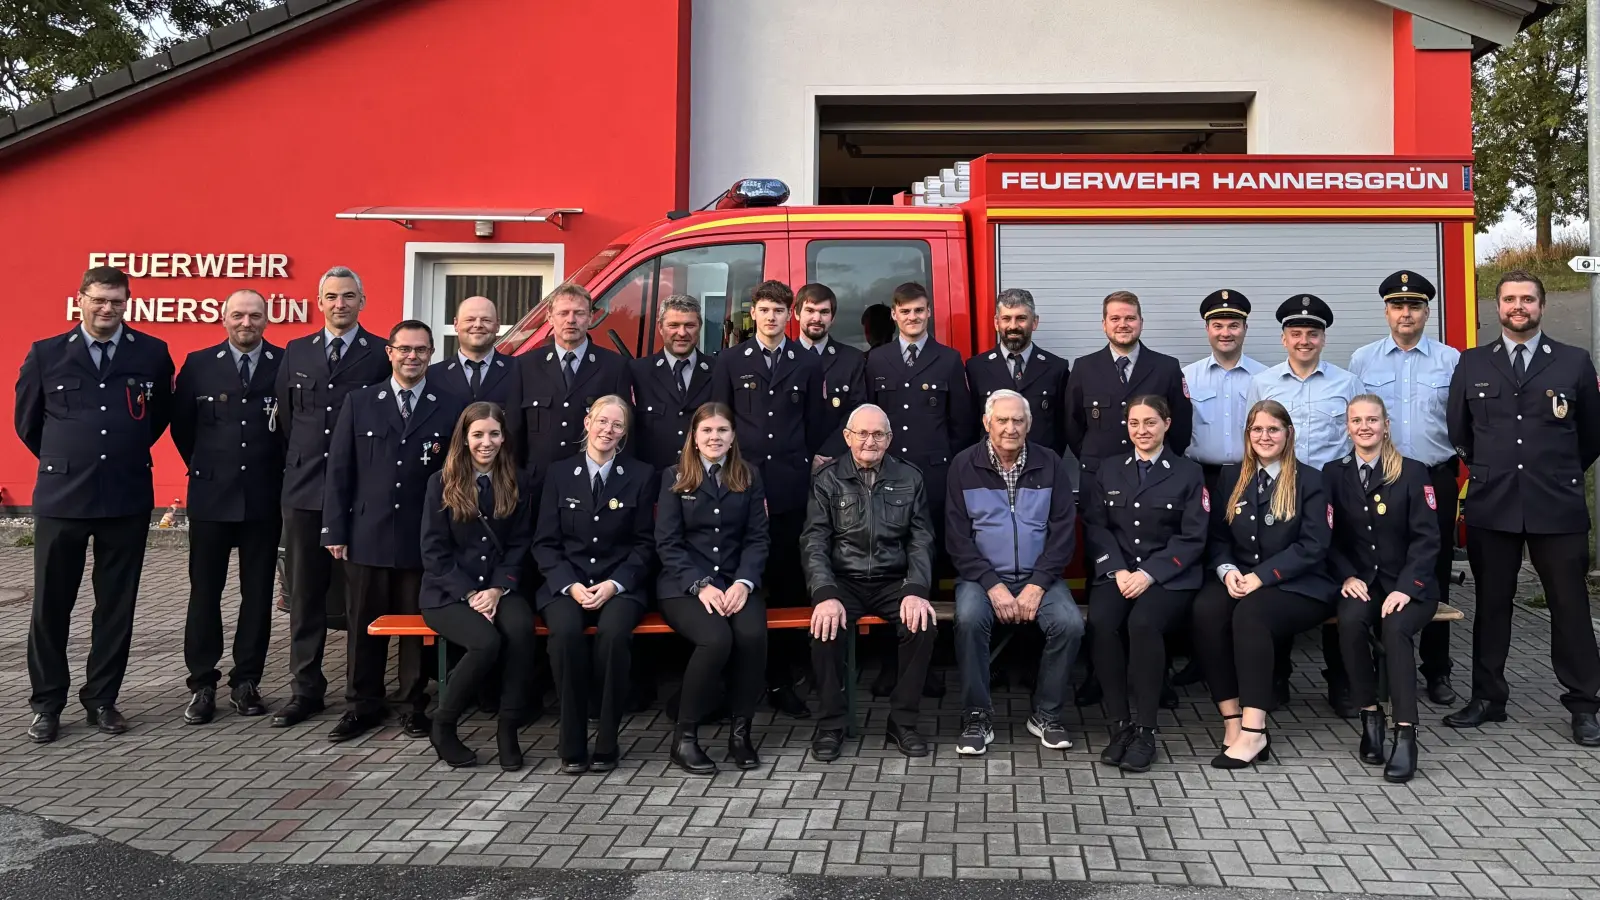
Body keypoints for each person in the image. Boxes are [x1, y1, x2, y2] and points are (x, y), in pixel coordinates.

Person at [15, 265, 174, 742]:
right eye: (99, 300)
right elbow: (28, 423)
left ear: (129, 302)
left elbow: (157, 417)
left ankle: (103, 700)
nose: (108, 309)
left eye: (117, 301)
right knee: (51, 604)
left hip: (124, 495)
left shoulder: (150, 352)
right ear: (80, 299)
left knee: (116, 606)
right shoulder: (46, 354)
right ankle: (47, 704)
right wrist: (68, 458)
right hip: (63, 496)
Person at [1445, 270, 1600, 747]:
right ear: (1497, 307)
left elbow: (1591, 435)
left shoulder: (1574, 362)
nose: (1519, 306)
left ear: (1542, 305)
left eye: (1528, 299)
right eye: (1510, 299)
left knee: (1569, 607)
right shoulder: (1472, 364)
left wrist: (1553, 471)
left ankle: (1585, 705)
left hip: (1556, 504)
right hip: (1495, 504)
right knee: (1491, 607)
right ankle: (1488, 698)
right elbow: (1460, 432)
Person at [322, 320, 467, 743]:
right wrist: (334, 528)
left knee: (414, 626)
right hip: (367, 533)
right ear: (389, 352)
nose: (412, 357)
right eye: (404, 349)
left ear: (431, 354)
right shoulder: (361, 401)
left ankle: (411, 704)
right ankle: (361, 705)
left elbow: (455, 476)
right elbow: (340, 470)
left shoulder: (450, 404)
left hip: (421, 538)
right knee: (363, 624)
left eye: (421, 350)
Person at [273, 265, 392, 729]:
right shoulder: (296, 352)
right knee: (305, 594)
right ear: (318, 302)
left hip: (359, 493)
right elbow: (288, 420)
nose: (339, 304)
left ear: (361, 301)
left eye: (347, 296)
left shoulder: (379, 353)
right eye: (330, 297)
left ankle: (363, 692)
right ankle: (305, 689)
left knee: (360, 596)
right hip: (304, 491)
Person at [1193, 400, 1335, 769]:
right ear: (1247, 435)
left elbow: (1314, 545)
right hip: (1241, 577)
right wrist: (1227, 571)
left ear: (1288, 434)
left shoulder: (1311, 480)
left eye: (1273, 429)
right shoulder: (1231, 477)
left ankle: (1255, 731)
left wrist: (1261, 576)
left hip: (1301, 585)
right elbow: (1218, 537)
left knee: (1251, 616)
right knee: (1207, 610)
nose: (1265, 436)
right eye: (1257, 429)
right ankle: (1232, 721)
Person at [711, 280, 827, 717]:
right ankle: (737, 677)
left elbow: (815, 423)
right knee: (740, 579)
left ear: (790, 314)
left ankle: (781, 679)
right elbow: (719, 423)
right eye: (764, 309)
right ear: (753, 313)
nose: (772, 317)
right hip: (740, 486)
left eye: (780, 310)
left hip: (789, 490)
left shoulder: (805, 362)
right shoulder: (730, 360)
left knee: (785, 584)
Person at [1347, 271, 1462, 707]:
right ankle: (1384, 666)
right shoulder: (1363, 361)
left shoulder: (1450, 360)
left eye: (1414, 306)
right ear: (1387, 312)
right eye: (1398, 306)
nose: (1406, 313)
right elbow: (1357, 421)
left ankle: (1437, 671)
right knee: (1378, 565)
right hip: (1381, 478)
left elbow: (1461, 420)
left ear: (1427, 312)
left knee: (1433, 569)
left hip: (1433, 476)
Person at [1245, 294, 1362, 716]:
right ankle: (1276, 676)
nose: (1304, 340)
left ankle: (1341, 679)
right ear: (1283, 339)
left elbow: (1357, 437)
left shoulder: (1346, 383)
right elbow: (1256, 437)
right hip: (1278, 493)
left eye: (1312, 333)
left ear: (1323, 338)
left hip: (1331, 492)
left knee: (1333, 576)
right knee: (1279, 580)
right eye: (1296, 333)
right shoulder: (1264, 383)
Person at [946, 390, 1081, 755]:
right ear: (986, 423)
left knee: (1070, 624)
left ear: (1029, 425)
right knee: (970, 619)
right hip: (982, 578)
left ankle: (1047, 714)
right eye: (1002, 420)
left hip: (1041, 577)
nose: (1010, 428)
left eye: (1018, 420)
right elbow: (957, 539)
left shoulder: (1050, 462)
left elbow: (1063, 533)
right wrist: (992, 585)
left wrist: (1038, 584)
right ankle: (976, 716)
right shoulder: (963, 465)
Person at [170, 289, 283, 725]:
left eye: (254, 315)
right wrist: (207, 467)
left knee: (257, 595)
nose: (246, 322)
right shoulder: (199, 364)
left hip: (262, 497)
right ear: (224, 318)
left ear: (266, 320)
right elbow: (183, 427)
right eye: (238, 315)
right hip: (211, 497)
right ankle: (202, 683)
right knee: (205, 593)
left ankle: (246, 681)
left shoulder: (283, 362)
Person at [804, 404, 938, 761]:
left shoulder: (910, 477)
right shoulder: (827, 478)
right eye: (862, 433)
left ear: (890, 439)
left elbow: (921, 539)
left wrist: (915, 590)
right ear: (847, 437)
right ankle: (831, 724)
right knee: (823, 629)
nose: (870, 441)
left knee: (922, 626)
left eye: (879, 434)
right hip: (843, 580)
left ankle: (903, 722)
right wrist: (825, 593)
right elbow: (814, 541)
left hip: (893, 579)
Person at [1082, 395, 1207, 773]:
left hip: (1167, 576)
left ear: (1167, 424)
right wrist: (1118, 570)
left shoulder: (1188, 472)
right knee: (1102, 624)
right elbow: (1096, 526)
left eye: (1150, 422)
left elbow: (1192, 537)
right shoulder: (1109, 469)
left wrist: (1149, 574)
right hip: (1118, 573)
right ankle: (1120, 724)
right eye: (1134, 423)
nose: (1142, 431)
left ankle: (1147, 730)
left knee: (1143, 624)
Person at [531, 395, 655, 774]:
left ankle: (606, 739)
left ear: (624, 433)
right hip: (566, 584)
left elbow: (645, 543)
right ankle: (571, 743)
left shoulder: (641, 474)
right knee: (566, 636)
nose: (608, 430)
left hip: (620, 585)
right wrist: (569, 586)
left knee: (615, 637)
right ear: (587, 423)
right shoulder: (557, 473)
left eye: (617, 425)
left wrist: (615, 584)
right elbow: (545, 543)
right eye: (602, 421)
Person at [1324, 395, 1440, 782]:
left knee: (1395, 629)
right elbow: (1330, 539)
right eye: (1356, 420)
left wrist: (1408, 587)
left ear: (1386, 425)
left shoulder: (1412, 471)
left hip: (1410, 585)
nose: (1364, 427)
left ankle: (1405, 734)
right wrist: (1346, 576)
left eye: (1372, 419)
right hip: (1363, 584)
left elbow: (1427, 539)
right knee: (1351, 622)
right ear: (1347, 427)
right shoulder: (1333, 473)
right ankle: (1369, 717)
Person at [655, 403, 770, 774]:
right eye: (707, 431)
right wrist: (699, 584)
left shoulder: (748, 475)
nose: (714, 437)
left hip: (736, 582)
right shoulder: (674, 476)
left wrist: (744, 582)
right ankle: (684, 738)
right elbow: (667, 543)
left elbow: (757, 538)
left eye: (722, 430)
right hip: (683, 586)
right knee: (716, 639)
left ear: (733, 436)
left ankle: (741, 734)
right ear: (694, 436)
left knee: (752, 635)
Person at [419, 401, 536, 770]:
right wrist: (471, 594)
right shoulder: (441, 483)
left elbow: (520, 543)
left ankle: (508, 728)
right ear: (464, 438)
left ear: (504, 437)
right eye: (478, 435)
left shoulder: (518, 480)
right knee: (485, 643)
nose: (487, 442)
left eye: (494, 434)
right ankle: (443, 723)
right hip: (448, 592)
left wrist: (498, 589)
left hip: (499, 587)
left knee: (521, 631)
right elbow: (433, 551)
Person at [506, 283, 633, 488]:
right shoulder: (525, 366)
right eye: (563, 313)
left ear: (590, 317)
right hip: (538, 484)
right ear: (550, 317)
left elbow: (625, 432)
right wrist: (516, 481)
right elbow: (514, 431)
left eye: (579, 313)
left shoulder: (614, 366)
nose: (571, 320)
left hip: (593, 484)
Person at [1067, 290, 1193, 475]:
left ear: (1141, 322)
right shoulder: (1083, 368)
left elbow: (1181, 427)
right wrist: (1092, 458)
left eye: (1130, 318)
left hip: (1154, 475)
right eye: (1115, 319)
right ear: (1104, 324)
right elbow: (1072, 425)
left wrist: (1162, 462)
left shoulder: (1167, 367)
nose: (1123, 325)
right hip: (1099, 475)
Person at [966, 289, 1072, 460]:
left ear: (1035, 322)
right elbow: (968, 426)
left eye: (1021, 318)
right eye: (1006, 318)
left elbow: (1066, 426)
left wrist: (1050, 460)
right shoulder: (976, 368)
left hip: (1041, 467)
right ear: (996, 322)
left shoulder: (1056, 368)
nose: (1013, 326)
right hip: (989, 469)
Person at [1182, 290, 1267, 501]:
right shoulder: (1186, 377)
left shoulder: (1265, 377)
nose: (1225, 333)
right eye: (1218, 326)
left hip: (1252, 475)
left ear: (1245, 329)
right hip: (1200, 477)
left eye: (1234, 326)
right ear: (1207, 329)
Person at [630, 293, 715, 471]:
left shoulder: (719, 371)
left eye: (689, 325)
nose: (682, 333)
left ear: (700, 326)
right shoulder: (637, 372)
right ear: (660, 327)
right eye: (673, 325)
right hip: (654, 482)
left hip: (705, 482)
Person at [795, 283, 867, 467]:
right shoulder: (781, 359)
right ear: (796, 314)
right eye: (809, 310)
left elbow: (856, 411)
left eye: (824, 312)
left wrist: (828, 453)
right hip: (793, 462)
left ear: (832, 318)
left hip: (838, 463)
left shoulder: (852, 359)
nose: (816, 318)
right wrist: (807, 455)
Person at [428, 295, 513, 405]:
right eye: (470, 320)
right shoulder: (432, 376)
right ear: (455, 324)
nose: (478, 325)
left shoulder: (518, 371)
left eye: (486, 320)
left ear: (497, 325)